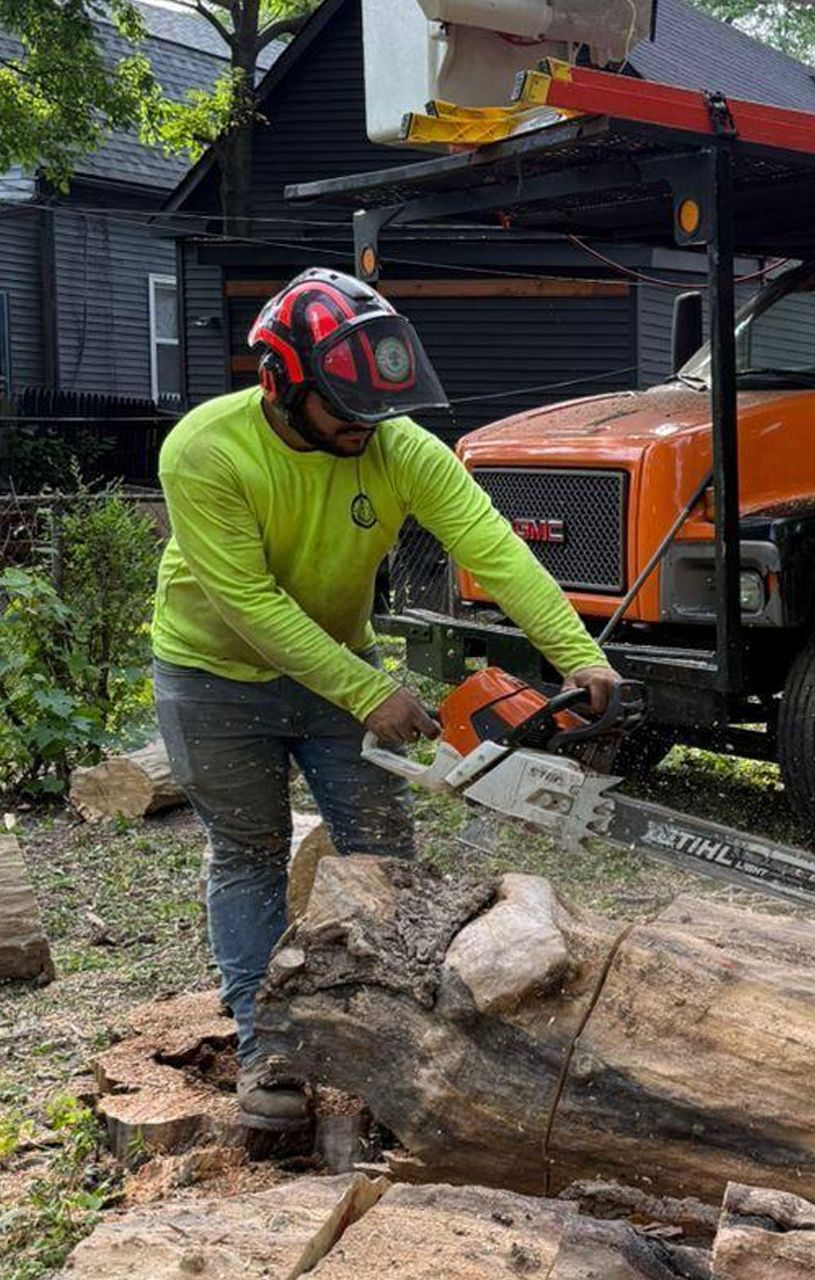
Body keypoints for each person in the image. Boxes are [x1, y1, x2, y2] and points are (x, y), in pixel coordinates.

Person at [151, 268, 620, 1129]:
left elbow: (494, 548)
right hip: (213, 675)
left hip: (337, 663)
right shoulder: (203, 450)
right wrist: (370, 691)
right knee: (249, 853)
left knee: (383, 850)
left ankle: (398, 1033)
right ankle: (269, 1056)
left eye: (375, 412)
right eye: (344, 411)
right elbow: (248, 605)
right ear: (278, 385)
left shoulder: (397, 445)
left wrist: (578, 653)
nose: (363, 430)